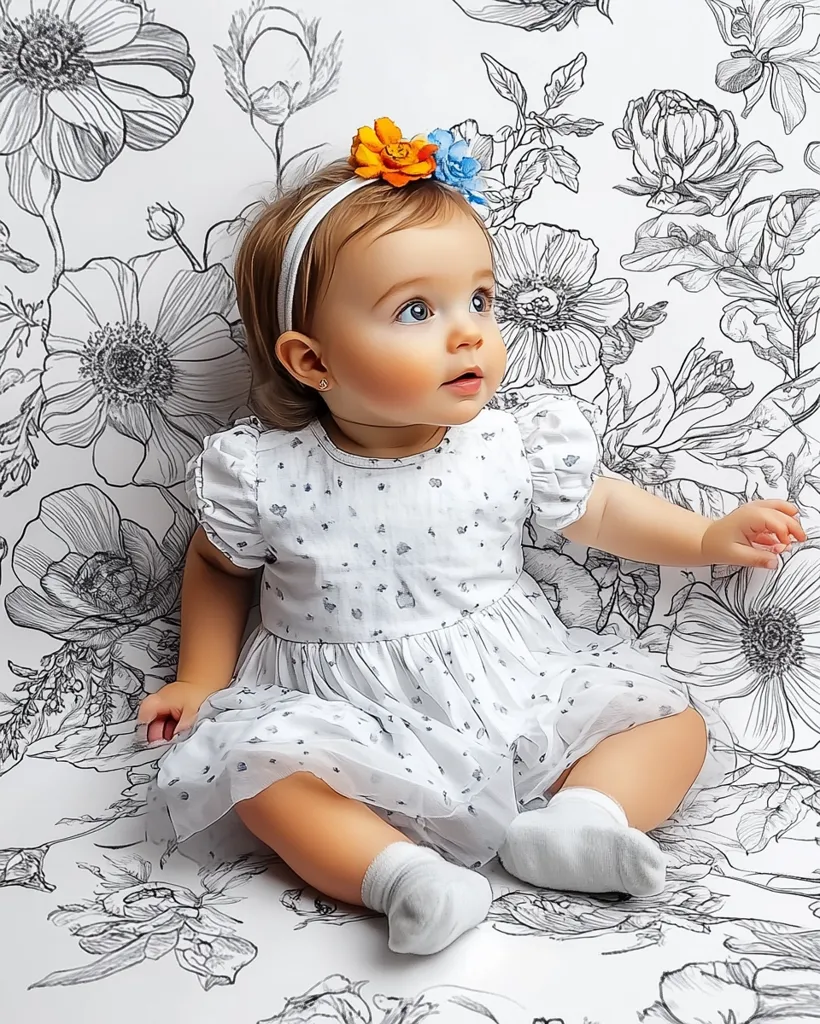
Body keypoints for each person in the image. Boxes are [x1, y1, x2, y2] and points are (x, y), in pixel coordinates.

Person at [139, 118, 804, 956]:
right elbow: (217, 563)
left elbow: (597, 510)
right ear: (312, 362)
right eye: (416, 309)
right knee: (263, 779)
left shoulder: (506, 443)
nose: (469, 333)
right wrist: (200, 677)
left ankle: (578, 822)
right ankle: (402, 876)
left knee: (671, 723)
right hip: (338, 709)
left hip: (508, 684)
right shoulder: (264, 472)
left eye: (480, 300)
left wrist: (706, 534)